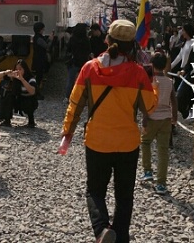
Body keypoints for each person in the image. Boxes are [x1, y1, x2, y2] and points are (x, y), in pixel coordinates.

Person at [61, 19, 158, 243]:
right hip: (128, 143)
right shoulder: (138, 73)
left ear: (107, 40)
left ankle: (102, 229)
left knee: (95, 191)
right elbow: (150, 107)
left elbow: (75, 104)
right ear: (132, 44)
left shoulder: (90, 68)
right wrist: (152, 83)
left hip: (97, 140)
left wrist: (68, 132)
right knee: (124, 195)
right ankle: (121, 236)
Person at [140, 51, 176, 195]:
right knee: (163, 151)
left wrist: (144, 118)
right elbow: (174, 100)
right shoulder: (170, 81)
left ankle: (147, 170)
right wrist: (174, 116)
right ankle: (161, 183)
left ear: (152, 65)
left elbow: (146, 101)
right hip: (166, 119)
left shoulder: (150, 81)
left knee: (145, 142)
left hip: (151, 117)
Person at [0, 59, 37, 127]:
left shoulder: (30, 78)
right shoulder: (14, 77)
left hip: (28, 100)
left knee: (29, 102)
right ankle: (6, 119)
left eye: (20, 69)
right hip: (17, 99)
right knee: (6, 94)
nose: (18, 71)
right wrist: (6, 72)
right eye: (16, 69)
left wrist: (22, 79)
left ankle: (31, 120)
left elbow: (32, 91)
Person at [66, 22, 92, 100]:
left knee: (70, 80)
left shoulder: (72, 39)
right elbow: (89, 50)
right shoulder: (86, 40)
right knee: (84, 81)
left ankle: (67, 97)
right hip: (84, 62)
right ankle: (82, 98)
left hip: (73, 61)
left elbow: (68, 49)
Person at [32, 21, 50, 96]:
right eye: (43, 29)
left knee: (39, 75)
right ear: (40, 30)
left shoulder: (36, 37)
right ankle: (36, 92)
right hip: (39, 59)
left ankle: (36, 91)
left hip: (37, 59)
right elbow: (46, 46)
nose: (43, 30)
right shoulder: (39, 38)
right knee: (39, 76)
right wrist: (50, 39)